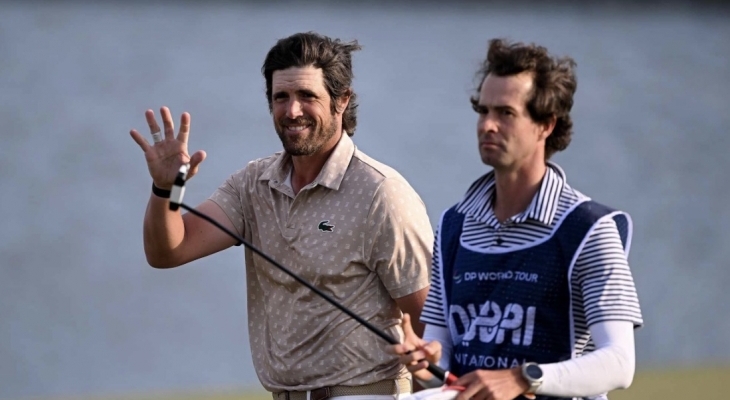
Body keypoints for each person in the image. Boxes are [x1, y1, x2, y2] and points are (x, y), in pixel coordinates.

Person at [129, 32, 434, 400]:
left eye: (307, 96)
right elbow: (168, 251)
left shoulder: (382, 194)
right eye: (281, 97)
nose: (292, 111)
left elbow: (431, 324)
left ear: (342, 100)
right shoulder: (253, 183)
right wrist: (167, 188)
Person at [388, 38, 644, 400]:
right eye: (483, 111)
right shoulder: (453, 226)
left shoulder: (589, 228)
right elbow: (442, 362)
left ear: (546, 125)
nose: (488, 125)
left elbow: (619, 363)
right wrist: (426, 363)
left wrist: (523, 378)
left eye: (506, 113)